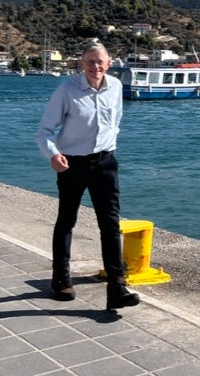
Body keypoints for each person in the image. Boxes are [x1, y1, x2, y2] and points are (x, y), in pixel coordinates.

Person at [35, 40, 139, 311]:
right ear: (81, 64)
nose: (95, 66)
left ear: (109, 63)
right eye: (90, 61)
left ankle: (117, 286)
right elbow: (45, 130)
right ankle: (60, 277)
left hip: (105, 162)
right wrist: (53, 155)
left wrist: (108, 147)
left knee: (110, 224)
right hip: (72, 164)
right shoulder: (66, 90)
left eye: (100, 61)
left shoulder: (115, 86)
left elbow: (115, 121)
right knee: (67, 219)